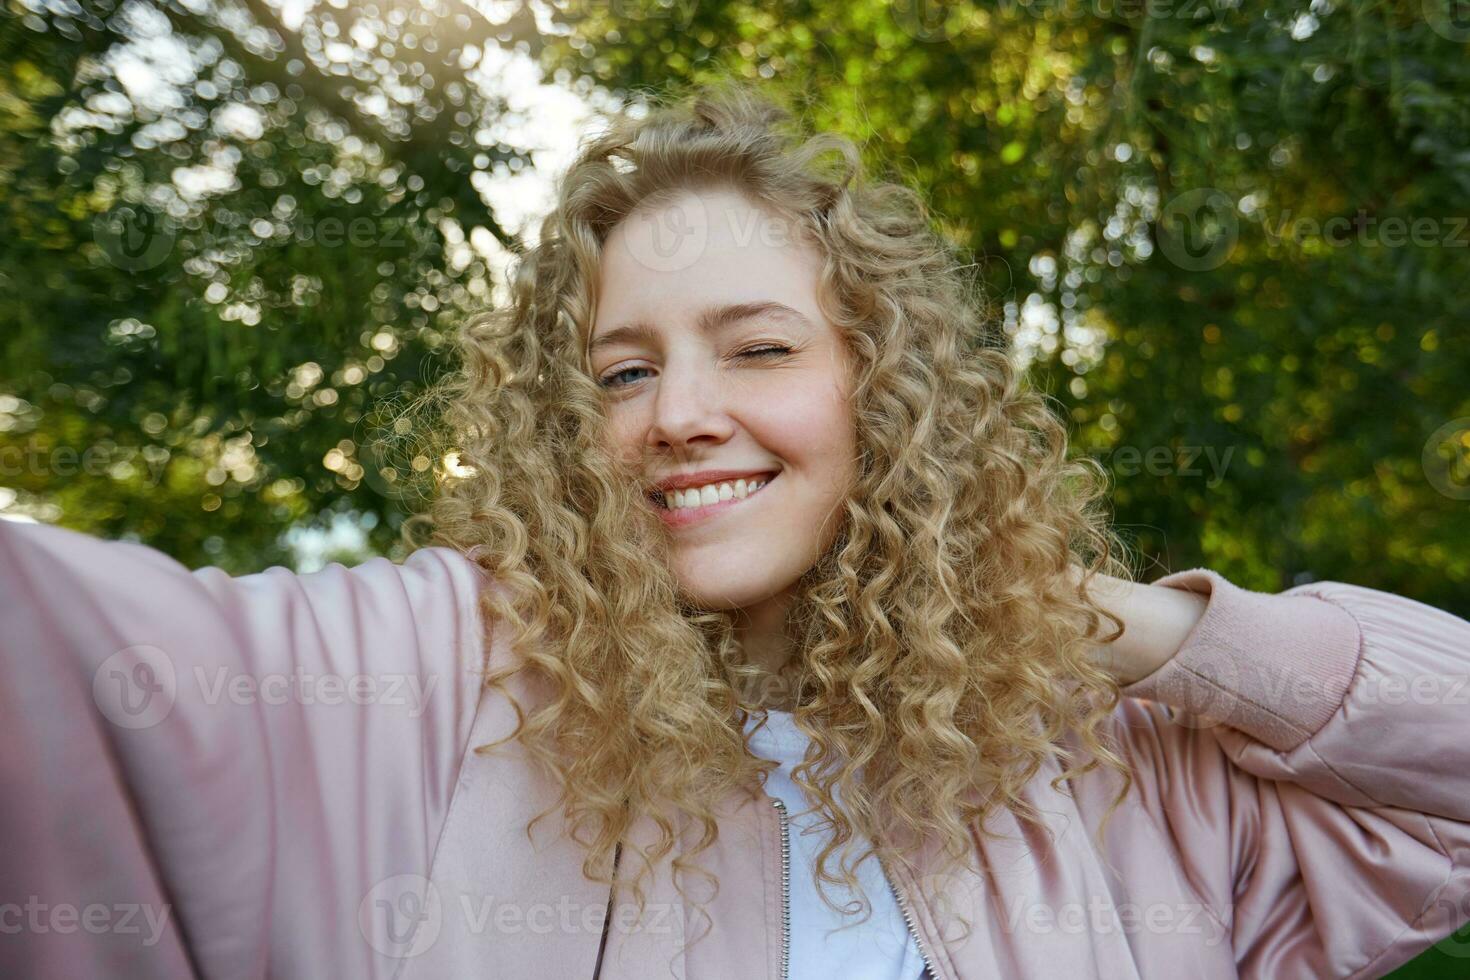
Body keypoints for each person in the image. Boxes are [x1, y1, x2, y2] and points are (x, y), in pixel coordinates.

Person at [2, 80, 1468, 980]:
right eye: (620, 370)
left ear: (887, 395)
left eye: (757, 349)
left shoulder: (1104, 768)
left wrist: (1114, 622)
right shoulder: (443, 679)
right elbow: (68, 659)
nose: (676, 413)